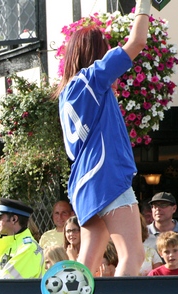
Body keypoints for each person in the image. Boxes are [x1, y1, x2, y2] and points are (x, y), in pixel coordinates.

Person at [55, 0, 150, 276]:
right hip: (106, 173)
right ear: (95, 54)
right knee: (133, 254)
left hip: (83, 182)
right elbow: (138, 41)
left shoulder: (66, 93)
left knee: (86, 264)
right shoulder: (93, 78)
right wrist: (144, 5)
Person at [0, 198, 45, 290]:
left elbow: (3, 283)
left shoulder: (28, 247)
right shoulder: (10, 245)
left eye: (0, 217)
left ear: (14, 219)